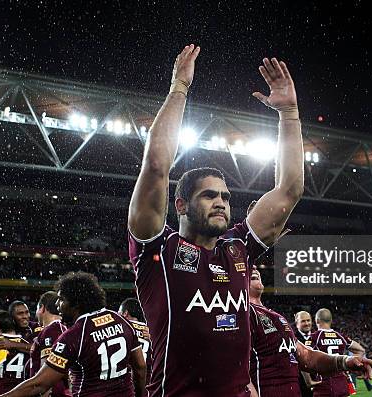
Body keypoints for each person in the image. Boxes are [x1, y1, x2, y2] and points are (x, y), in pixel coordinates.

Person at [127, 44, 305, 396]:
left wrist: (289, 113)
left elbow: (289, 189)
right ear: (180, 204)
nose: (221, 203)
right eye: (209, 196)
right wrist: (179, 88)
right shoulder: (156, 250)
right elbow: (157, 166)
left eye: (225, 197)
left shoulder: (237, 248)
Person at [0, 272, 146, 397]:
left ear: (76, 303)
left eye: (61, 300)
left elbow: (39, 384)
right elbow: (140, 367)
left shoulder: (74, 336)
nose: (57, 305)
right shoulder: (120, 320)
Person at [248, 267, 372, 397]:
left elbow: (306, 356)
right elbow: (232, 369)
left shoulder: (275, 316)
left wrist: (346, 361)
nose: (254, 267)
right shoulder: (239, 314)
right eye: (247, 264)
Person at [307, 309, 367, 397]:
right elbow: (361, 350)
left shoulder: (314, 337)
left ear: (317, 320)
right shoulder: (340, 336)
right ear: (331, 320)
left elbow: (305, 357)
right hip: (341, 382)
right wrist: (355, 366)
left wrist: (308, 381)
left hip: (324, 382)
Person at [27, 291, 70, 396]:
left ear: (42, 308)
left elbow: (46, 377)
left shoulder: (52, 330)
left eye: (37, 309)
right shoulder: (59, 329)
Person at [118, 297, 152, 392]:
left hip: (125, 387)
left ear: (125, 313)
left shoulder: (120, 328)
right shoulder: (152, 332)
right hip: (149, 388)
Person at [294, 311, 314, 397]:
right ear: (296, 323)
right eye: (303, 321)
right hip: (299, 385)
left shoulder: (317, 337)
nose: (306, 323)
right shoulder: (291, 338)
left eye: (308, 320)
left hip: (318, 384)